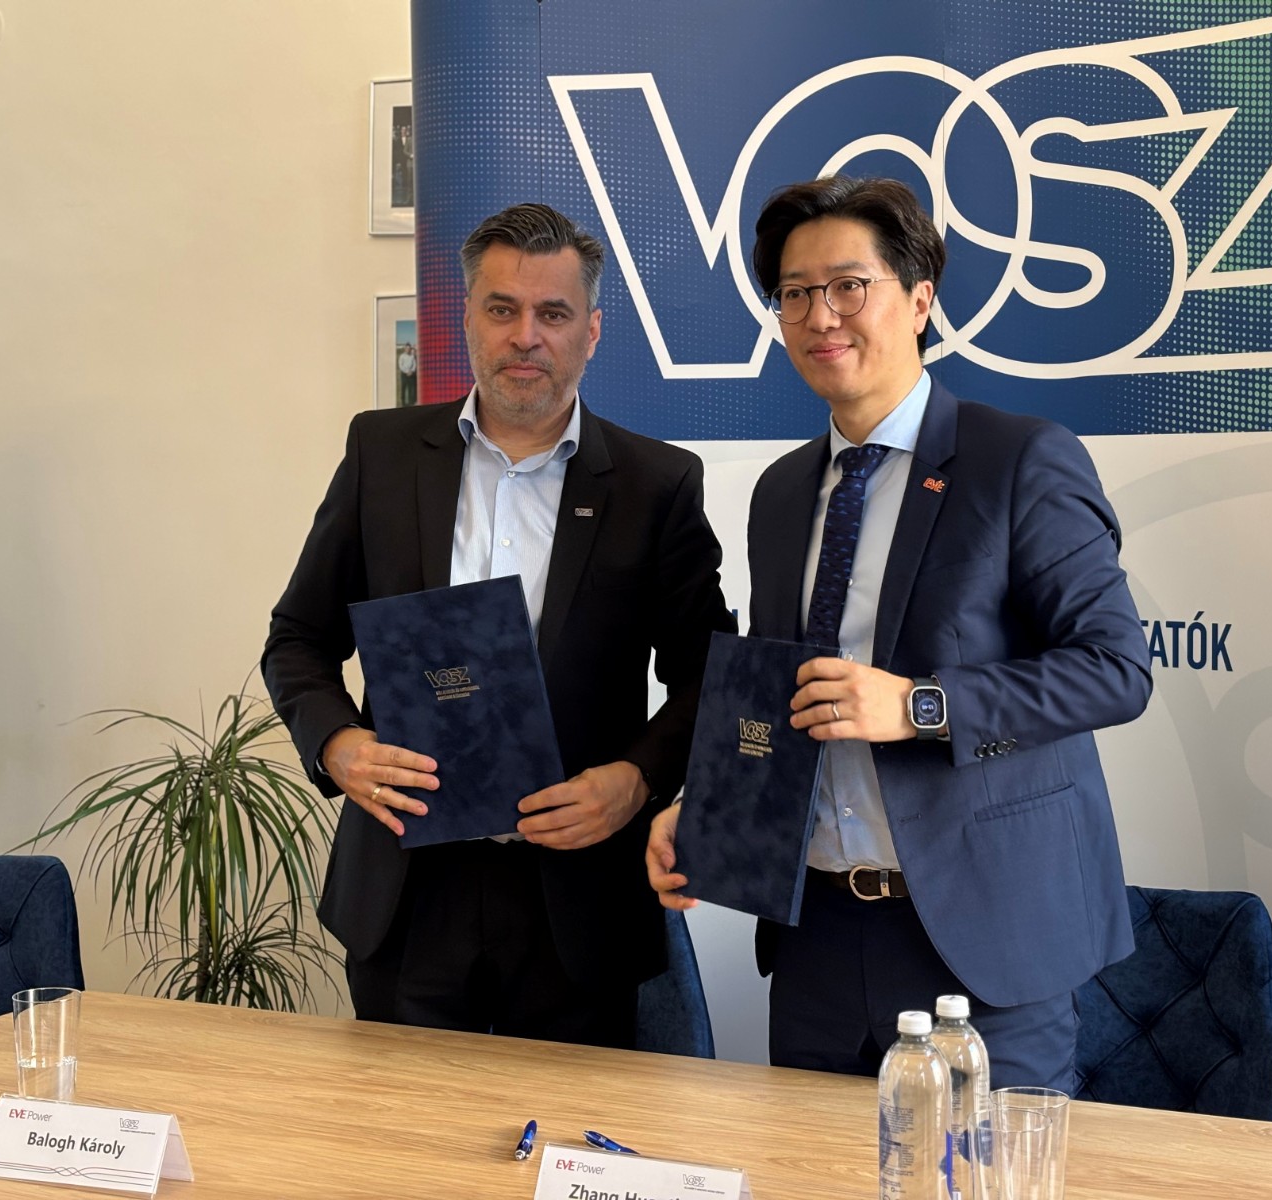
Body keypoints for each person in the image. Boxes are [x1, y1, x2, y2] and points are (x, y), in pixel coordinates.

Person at [646, 176, 1152, 1088]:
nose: (821, 316)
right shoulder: (782, 492)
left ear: (920, 299)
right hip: (818, 937)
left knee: (982, 1170)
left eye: (849, 286)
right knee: (811, 1169)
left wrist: (919, 705)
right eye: (795, 293)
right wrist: (713, 808)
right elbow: (786, 694)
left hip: (983, 943)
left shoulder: (1018, 460)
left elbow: (1115, 668)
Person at [265, 203, 734, 1049]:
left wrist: (636, 779)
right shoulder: (381, 455)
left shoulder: (655, 484)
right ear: (468, 320)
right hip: (406, 886)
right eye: (502, 309)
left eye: (553, 313)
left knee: (568, 1132)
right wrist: (337, 746)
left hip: (577, 899)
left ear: (591, 331)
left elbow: (712, 676)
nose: (526, 336)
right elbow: (297, 637)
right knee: (402, 1131)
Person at [396, 341, 418, 407]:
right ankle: (403, 403)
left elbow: (414, 364)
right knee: (403, 388)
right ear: (405, 349)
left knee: (411, 389)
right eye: (407, 348)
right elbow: (400, 365)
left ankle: (411, 402)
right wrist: (406, 372)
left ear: (410, 349)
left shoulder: (412, 356)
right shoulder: (402, 356)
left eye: (409, 348)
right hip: (404, 375)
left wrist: (412, 371)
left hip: (411, 374)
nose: (408, 349)